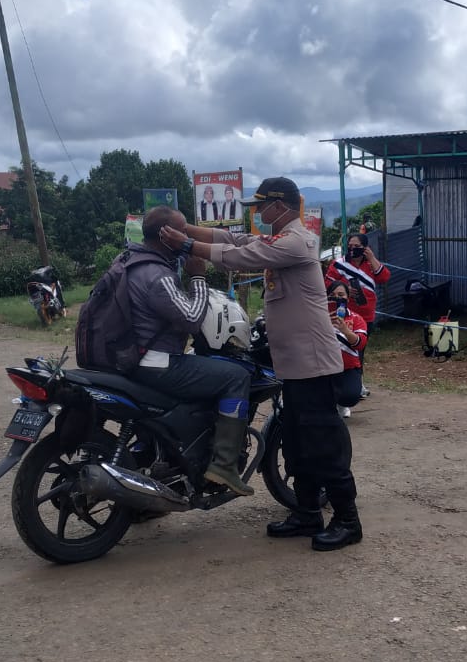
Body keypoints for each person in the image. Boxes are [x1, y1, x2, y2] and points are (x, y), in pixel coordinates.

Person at [160, 177, 362, 551]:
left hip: (313, 364)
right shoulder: (277, 239)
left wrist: (188, 245)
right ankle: (306, 513)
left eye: (262, 207)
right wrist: (186, 227)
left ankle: (348, 520)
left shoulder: (298, 241)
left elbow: (246, 256)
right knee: (298, 443)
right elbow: (236, 241)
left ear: (281, 206)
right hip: (292, 364)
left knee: (323, 443)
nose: (258, 214)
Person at [123, 206, 254, 496]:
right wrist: (198, 276)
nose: (186, 236)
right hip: (156, 362)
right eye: (181, 231)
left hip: (131, 359)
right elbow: (193, 318)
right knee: (235, 377)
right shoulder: (157, 275)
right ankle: (224, 466)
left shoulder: (131, 259)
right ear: (165, 235)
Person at [324, 231, 390, 397]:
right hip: (342, 314)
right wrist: (345, 287)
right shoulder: (339, 264)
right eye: (350, 246)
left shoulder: (370, 265)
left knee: (359, 349)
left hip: (365, 315)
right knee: (339, 347)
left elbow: (384, 277)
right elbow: (327, 282)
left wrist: (372, 257)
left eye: (357, 247)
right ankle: (336, 384)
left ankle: (357, 383)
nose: (353, 250)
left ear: (365, 248)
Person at [326, 280, 367, 418]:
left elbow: (361, 344)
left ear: (348, 298)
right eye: (333, 294)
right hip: (324, 367)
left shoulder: (357, 318)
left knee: (350, 396)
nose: (337, 297)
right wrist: (324, 324)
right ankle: (328, 405)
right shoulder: (319, 318)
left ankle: (342, 404)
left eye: (341, 294)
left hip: (348, 367)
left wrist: (345, 331)